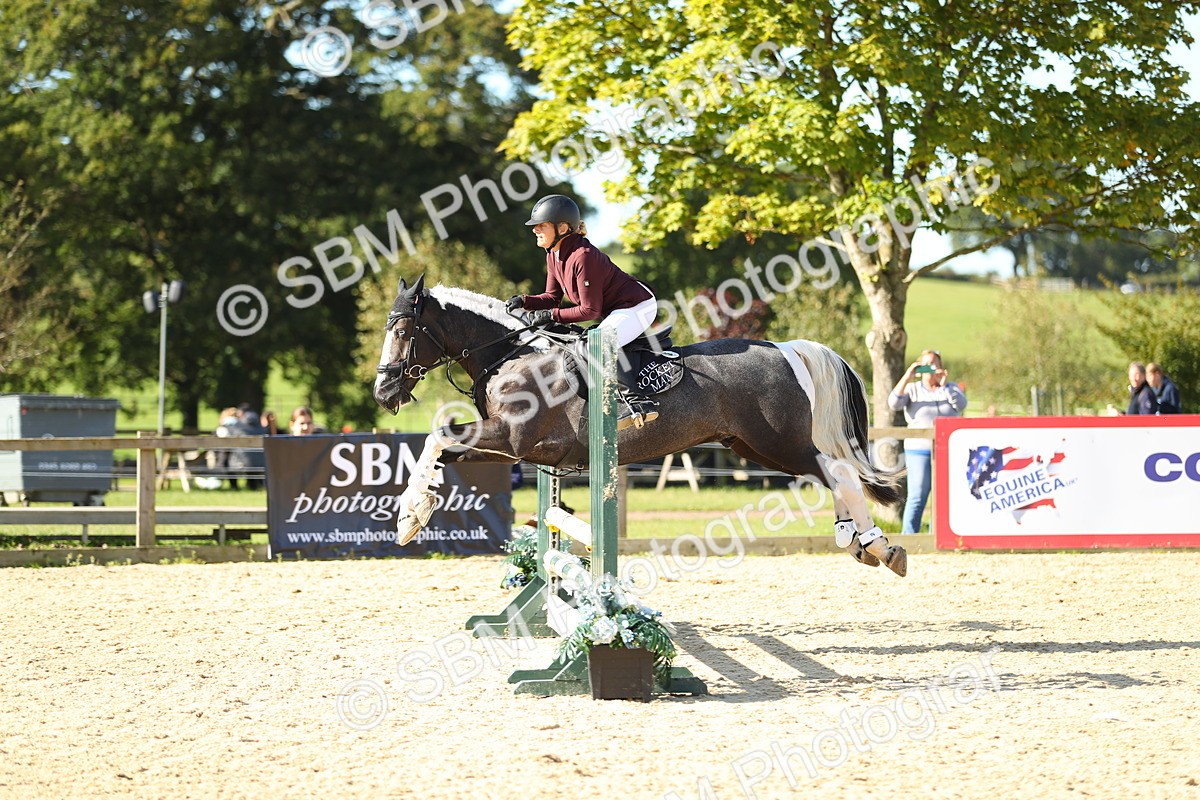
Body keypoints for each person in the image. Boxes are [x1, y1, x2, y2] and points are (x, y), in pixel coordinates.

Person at [505, 194, 661, 430]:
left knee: (597, 344)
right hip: (615, 309)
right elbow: (552, 298)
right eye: (535, 226)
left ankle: (638, 403)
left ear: (563, 228)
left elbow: (589, 310)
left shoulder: (583, 257)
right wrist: (524, 301)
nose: (535, 230)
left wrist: (551, 315)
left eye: (541, 225)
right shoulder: (553, 254)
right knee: (579, 343)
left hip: (637, 306)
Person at [888, 350, 967, 534]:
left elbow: (961, 405)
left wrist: (944, 386)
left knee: (945, 496)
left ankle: (939, 535)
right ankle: (910, 537)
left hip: (947, 451)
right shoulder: (913, 389)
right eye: (927, 364)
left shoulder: (951, 388)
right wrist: (908, 376)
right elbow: (893, 403)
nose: (932, 369)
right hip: (919, 450)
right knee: (918, 495)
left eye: (935, 364)